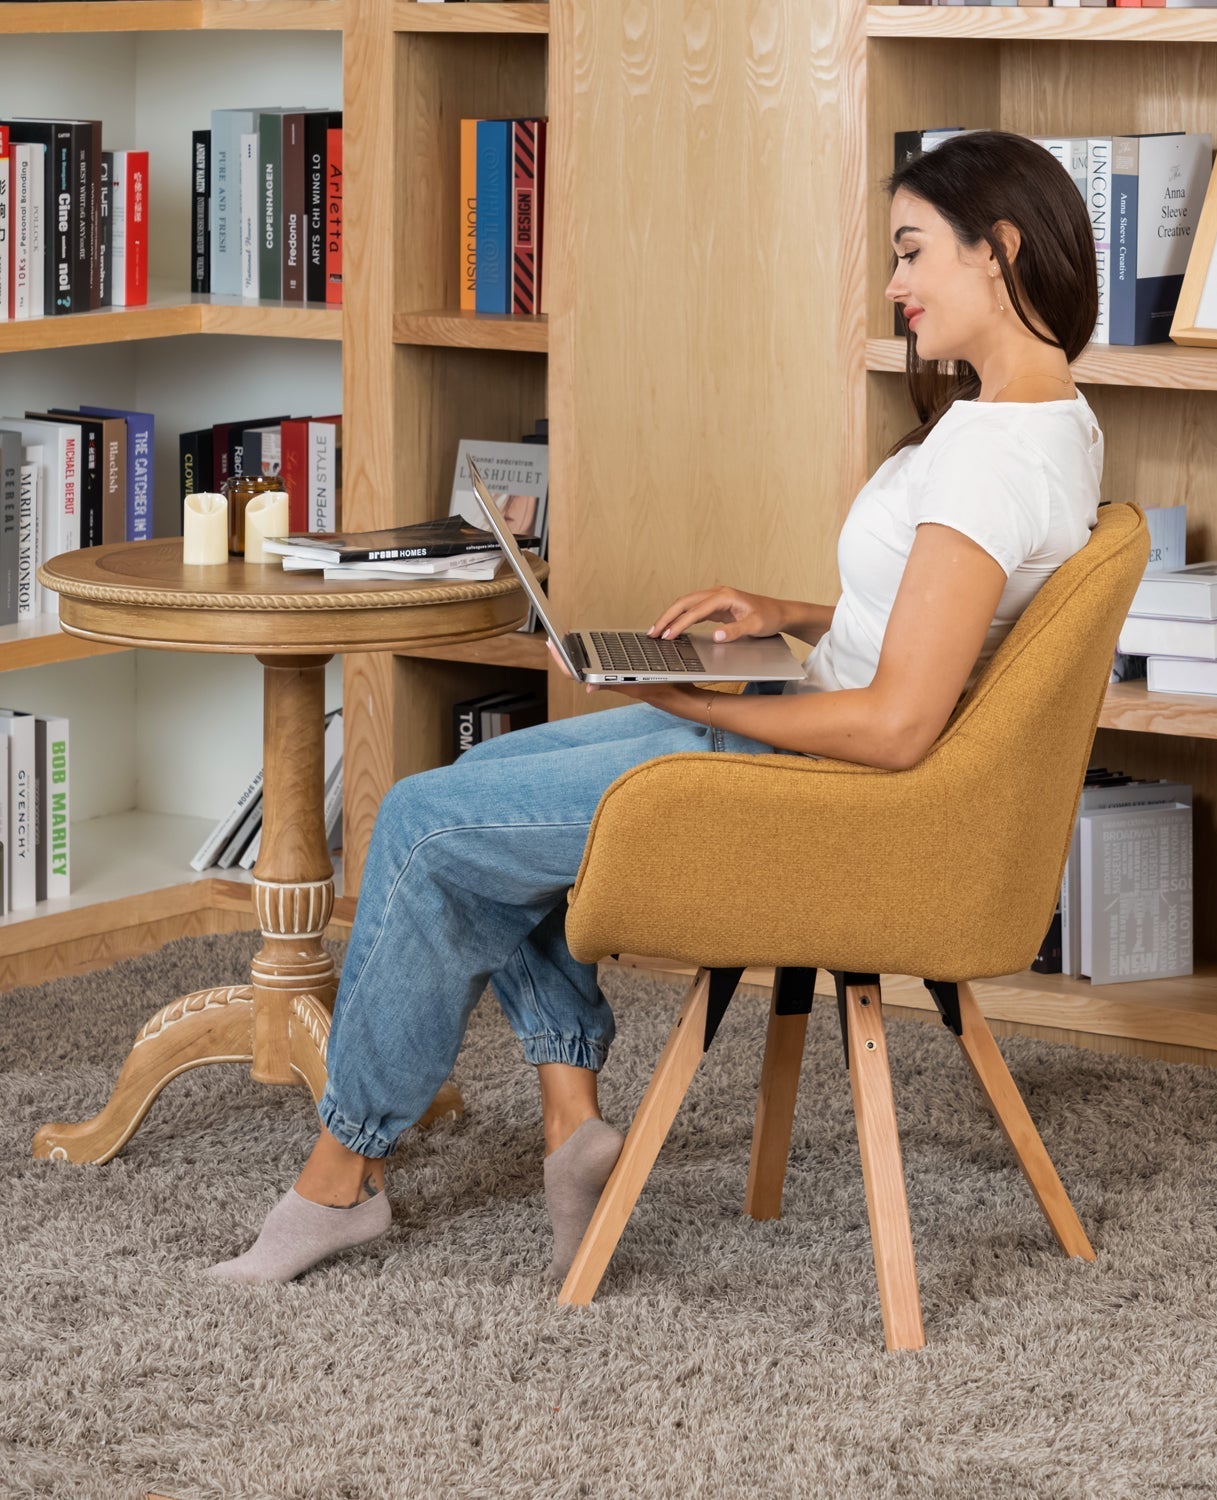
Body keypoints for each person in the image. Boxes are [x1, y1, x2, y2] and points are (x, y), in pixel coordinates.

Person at [206, 130, 1104, 1287]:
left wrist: (700, 703)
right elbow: (942, 616)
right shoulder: (1044, 425)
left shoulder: (992, 457)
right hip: (818, 752)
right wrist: (778, 612)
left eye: (912, 251)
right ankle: (571, 1125)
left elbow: (896, 726)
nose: (895, 283)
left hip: (833, 793)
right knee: (482, 801)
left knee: (430, 826)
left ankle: (339, 1182)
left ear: (1002, 251)